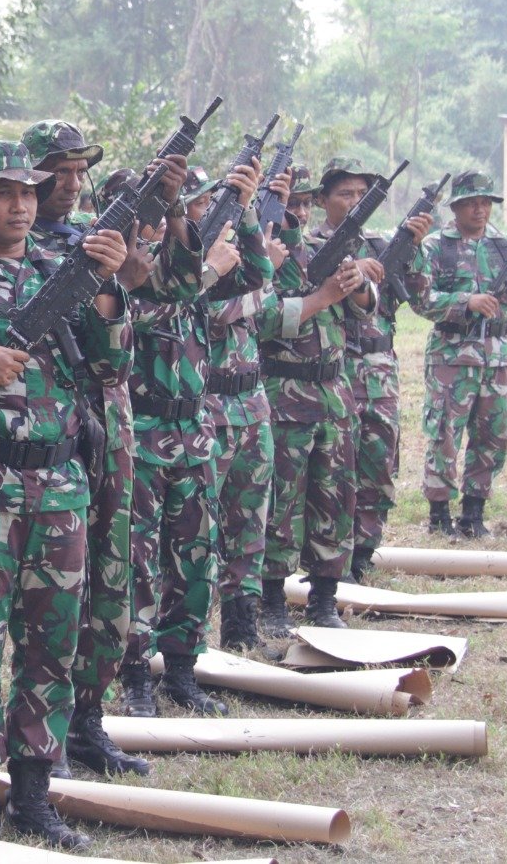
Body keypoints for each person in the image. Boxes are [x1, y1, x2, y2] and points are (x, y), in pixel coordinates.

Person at [0, 140, 129, 850]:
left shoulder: (61, 272)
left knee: (52, 646)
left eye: (28, 193)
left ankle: (36, 793)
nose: (20, 206)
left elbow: (112, 360)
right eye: (4, 193)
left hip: (61, 489)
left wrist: (106, 284)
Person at [21, 119, 145, 777]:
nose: (68, 185)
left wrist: (113, 278)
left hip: (109, 423)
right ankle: (48, 731)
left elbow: (116, 358)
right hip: (48, 430)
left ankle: (90, 719)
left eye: (77, 172)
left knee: (110, 569)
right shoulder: (10, 247)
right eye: (55, 172)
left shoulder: (95, 244)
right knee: (54, 588)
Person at [117, 160, 255, 718]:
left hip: (194, 430)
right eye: (182, 205)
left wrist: (241, 210)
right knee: (138, 561)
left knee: (197, 556)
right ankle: (134, 675)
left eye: (198, 204)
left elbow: (258, 275)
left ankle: (181, 669)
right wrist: (204, 273)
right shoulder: (122, 265)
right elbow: (137, 316)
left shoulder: (190, 259)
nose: (195, 215)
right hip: (142, 429)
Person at [256, 162, 375, 634]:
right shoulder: (261, 255)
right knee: (281, 502)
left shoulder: (325, 249)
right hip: (286, 393)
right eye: (292, 203)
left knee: (335, 498)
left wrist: (358, 286)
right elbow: (257, 318)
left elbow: (367, 311)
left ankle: (324, 599)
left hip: (333, 393)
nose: (300, 212)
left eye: (306, 203)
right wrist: (321, 298)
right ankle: (271, 601)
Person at [410, 169, 507, 538]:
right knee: (444, 433)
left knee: (493, 434)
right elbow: (420, 300)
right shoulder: (436, 247)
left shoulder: (506, 247)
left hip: (498, 356)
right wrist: (465, 302)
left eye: (485, 202)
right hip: (452, 356)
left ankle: (474, 511)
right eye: (471, 203)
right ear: (456, 207)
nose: (480, 209)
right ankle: (439, 514)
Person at [319, 158, 433, 580]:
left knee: (379, 462)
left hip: (380, 370)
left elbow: (421, 297)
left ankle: (365, 550)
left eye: (360, 193)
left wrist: (413, 247)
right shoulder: (312, 244)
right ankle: (333, 558)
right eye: (344, 193)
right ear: (322, 200)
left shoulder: (384, 244)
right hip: (336, 369)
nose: (353, 202)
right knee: (335, 466)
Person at [199, 167, 287, 651]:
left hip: (252, 407)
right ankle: (190, 635)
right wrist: (255, 284)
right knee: (201, 529)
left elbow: (264, 279)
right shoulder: (187, 263)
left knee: (250, 524)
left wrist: (250, 208)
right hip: (207, 408)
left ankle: (240, 625)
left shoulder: (231, 257)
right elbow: (209, 307)